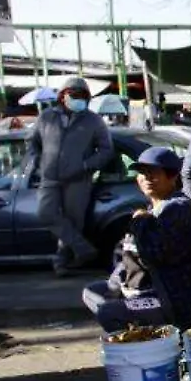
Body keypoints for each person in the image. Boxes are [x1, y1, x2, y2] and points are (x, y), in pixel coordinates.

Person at [82, 147, 191, 333]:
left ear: (172, 177)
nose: (146, 178)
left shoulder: (179, 209)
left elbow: (153, 255)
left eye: (153, 173)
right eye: (142, 173)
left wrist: (139, 223)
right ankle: (144, 333)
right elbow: (129, 257)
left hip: (174, 298)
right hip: (146, 289)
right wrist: (118, 286)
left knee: (109, 313)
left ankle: (149, 352)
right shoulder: (153, 208)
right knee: (93, 292)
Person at [28, 75, 114, 276]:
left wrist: (85, 165)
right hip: (49, 177)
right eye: (72, 95)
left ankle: (61, 263)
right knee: (46, 213)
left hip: (78, 179)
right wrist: (38, 162)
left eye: (81, 95)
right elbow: (31, 142)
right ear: (62, 96)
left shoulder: (94, 120)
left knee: (73, 222)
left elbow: (106, 150)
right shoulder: (47, 117)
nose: (77, 98)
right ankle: (84, 249)